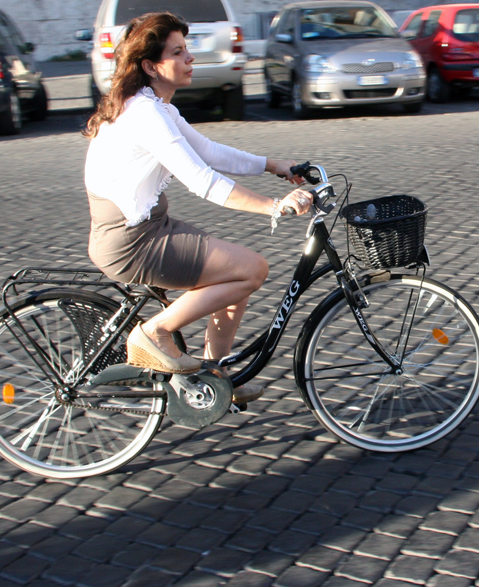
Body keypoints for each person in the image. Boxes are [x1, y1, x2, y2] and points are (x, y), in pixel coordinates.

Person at [83, 12, 313, 405]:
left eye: (187, 49)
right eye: (178, 52)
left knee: (234, 276)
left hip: (148, 227)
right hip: (131, 239)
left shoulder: (157, 108)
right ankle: (153, 333)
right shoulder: (145, 114)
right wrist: (274, 207)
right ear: (151, 66)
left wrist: (274, 165)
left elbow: (209, 152)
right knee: (251, 268)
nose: (190, 58)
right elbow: (202, 179)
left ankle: (212, 377)